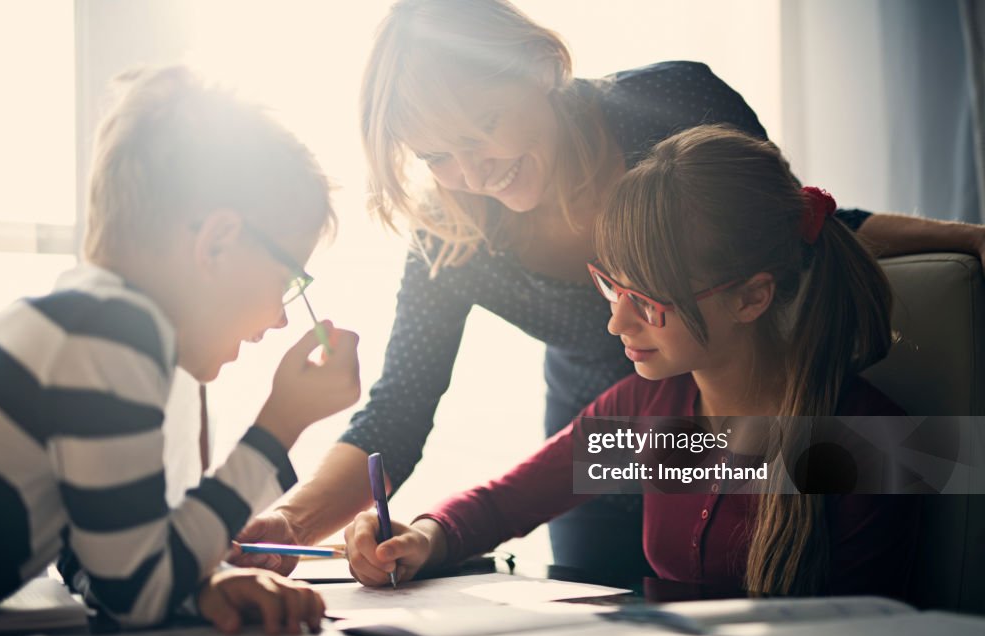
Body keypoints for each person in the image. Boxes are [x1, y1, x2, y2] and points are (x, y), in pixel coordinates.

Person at [236, 0, 981, 577]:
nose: (475, 171)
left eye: (485, 127)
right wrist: (318, 527)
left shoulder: (670, 110)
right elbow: (419, 423)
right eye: (440, 156)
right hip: (636, 429)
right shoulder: (628, 412)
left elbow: (796, 222)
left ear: (538, 67)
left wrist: (972, 241)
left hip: (725, 421)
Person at [343, 124, 919, 597]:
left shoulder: (871, 442)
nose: (617, 323)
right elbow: (501, 504)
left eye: (647, 300)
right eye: (613, 288)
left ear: (751, 297)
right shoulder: (651, 412)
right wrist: (420, 537)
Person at [0, 66, 361, 634]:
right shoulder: (110, 337)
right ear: (217, 241)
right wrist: (278, 428)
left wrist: (197, 586)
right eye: (285, 279)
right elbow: (135, 594)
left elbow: (99, 560)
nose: (279, 318)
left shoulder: (82, 322)